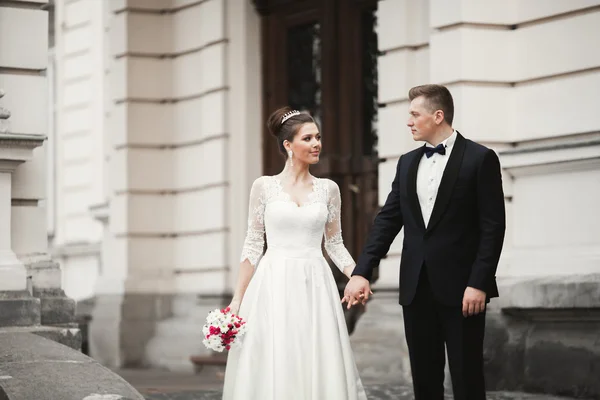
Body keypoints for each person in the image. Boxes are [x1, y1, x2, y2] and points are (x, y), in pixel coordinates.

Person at [343, 84, 506, 400]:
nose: (409, 121)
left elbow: (493, 227)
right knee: (424, 379)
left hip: (464, 290)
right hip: (416, 288)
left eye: (415, 114)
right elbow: (387, 221)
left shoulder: (480, 158)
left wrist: (479, 282)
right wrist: (362, 271)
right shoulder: (406, 163)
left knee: (467, 376)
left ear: (438, 115)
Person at [222, 107, 368, 400]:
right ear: (288, 145)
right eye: (308, 138)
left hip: (315, 282)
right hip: (272, 282)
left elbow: (334, 244)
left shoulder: (329, 189)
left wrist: (358, 275)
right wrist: (237, 299)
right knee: (276, 355)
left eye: (318, 137)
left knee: (314, 353)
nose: (317, 144)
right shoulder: (263, 187)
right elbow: (252, 244)